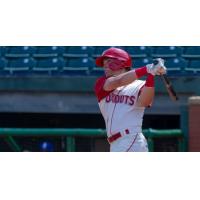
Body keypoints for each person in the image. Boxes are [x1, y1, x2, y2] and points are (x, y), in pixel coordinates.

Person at [94, 47, 166, 152]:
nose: (105, 66)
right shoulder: (102, 83)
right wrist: (146, 69)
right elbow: (118, 81)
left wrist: (151, 74)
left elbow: (145, 102)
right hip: (115, 143)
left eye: (109, 61)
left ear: (121, 63)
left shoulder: (140, 85)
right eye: (104, 62)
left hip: (131, 139)